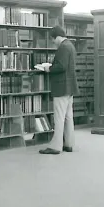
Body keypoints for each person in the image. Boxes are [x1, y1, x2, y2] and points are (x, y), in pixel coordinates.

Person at [37, 25, 78, 155]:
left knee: (59, 117)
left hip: (61, 87)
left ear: (58, 37)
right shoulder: (70, 46)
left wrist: (49, 68)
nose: (53, 42)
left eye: (53, 39)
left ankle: (56, 146)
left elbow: (61, 66)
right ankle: (68, 144)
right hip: (70, 87)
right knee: (68, 117)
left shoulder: (63, 47)